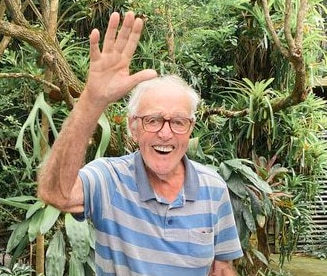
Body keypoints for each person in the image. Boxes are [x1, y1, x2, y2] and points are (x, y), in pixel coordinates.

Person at [38, 11, 243, 276]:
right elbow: (56, 194)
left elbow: (222, 268)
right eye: (153, 120)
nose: (166, 134)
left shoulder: (213, 187)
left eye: (178, 122)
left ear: (190, 129)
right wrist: (92, 100)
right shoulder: (110, 179)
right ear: (133, 127)